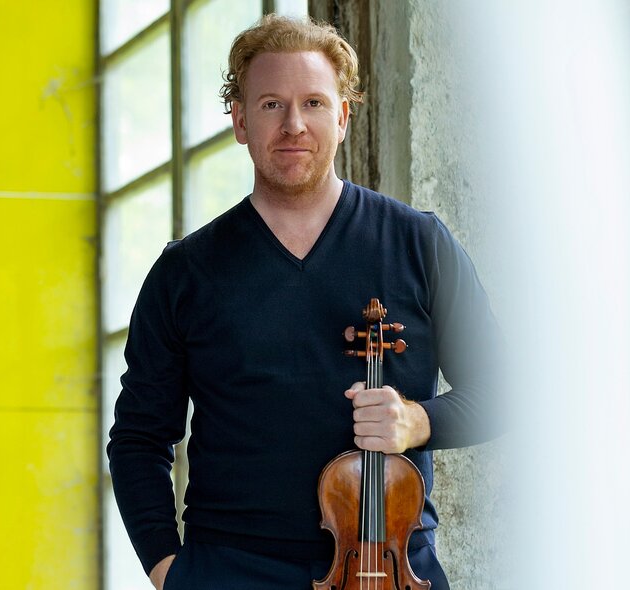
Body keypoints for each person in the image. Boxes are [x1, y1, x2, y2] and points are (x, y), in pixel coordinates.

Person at [108, 14, 501, 590]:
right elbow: (139, 438)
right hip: (228, 570)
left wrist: (418, 420)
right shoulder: (185, 272)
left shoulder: (419, 243)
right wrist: (169, 570)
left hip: (385, 568)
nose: (293, 124)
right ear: (240, 120)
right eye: (270, 105)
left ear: (343, 116)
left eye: (313, 103)